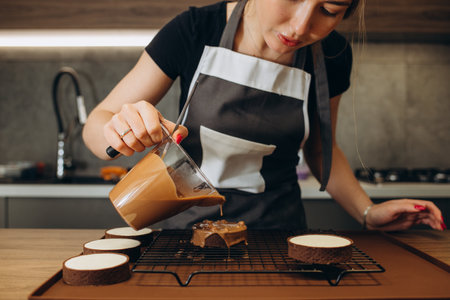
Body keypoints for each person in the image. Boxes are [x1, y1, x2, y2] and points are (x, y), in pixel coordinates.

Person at [83, 0, 445, 231]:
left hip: (279, 238)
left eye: (329, 11)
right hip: (182, 238)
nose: (301, 26)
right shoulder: (194, 29)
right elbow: (97, 125)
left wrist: (368, 213)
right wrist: (120, 128)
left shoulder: (333, 55)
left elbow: (322, 151)